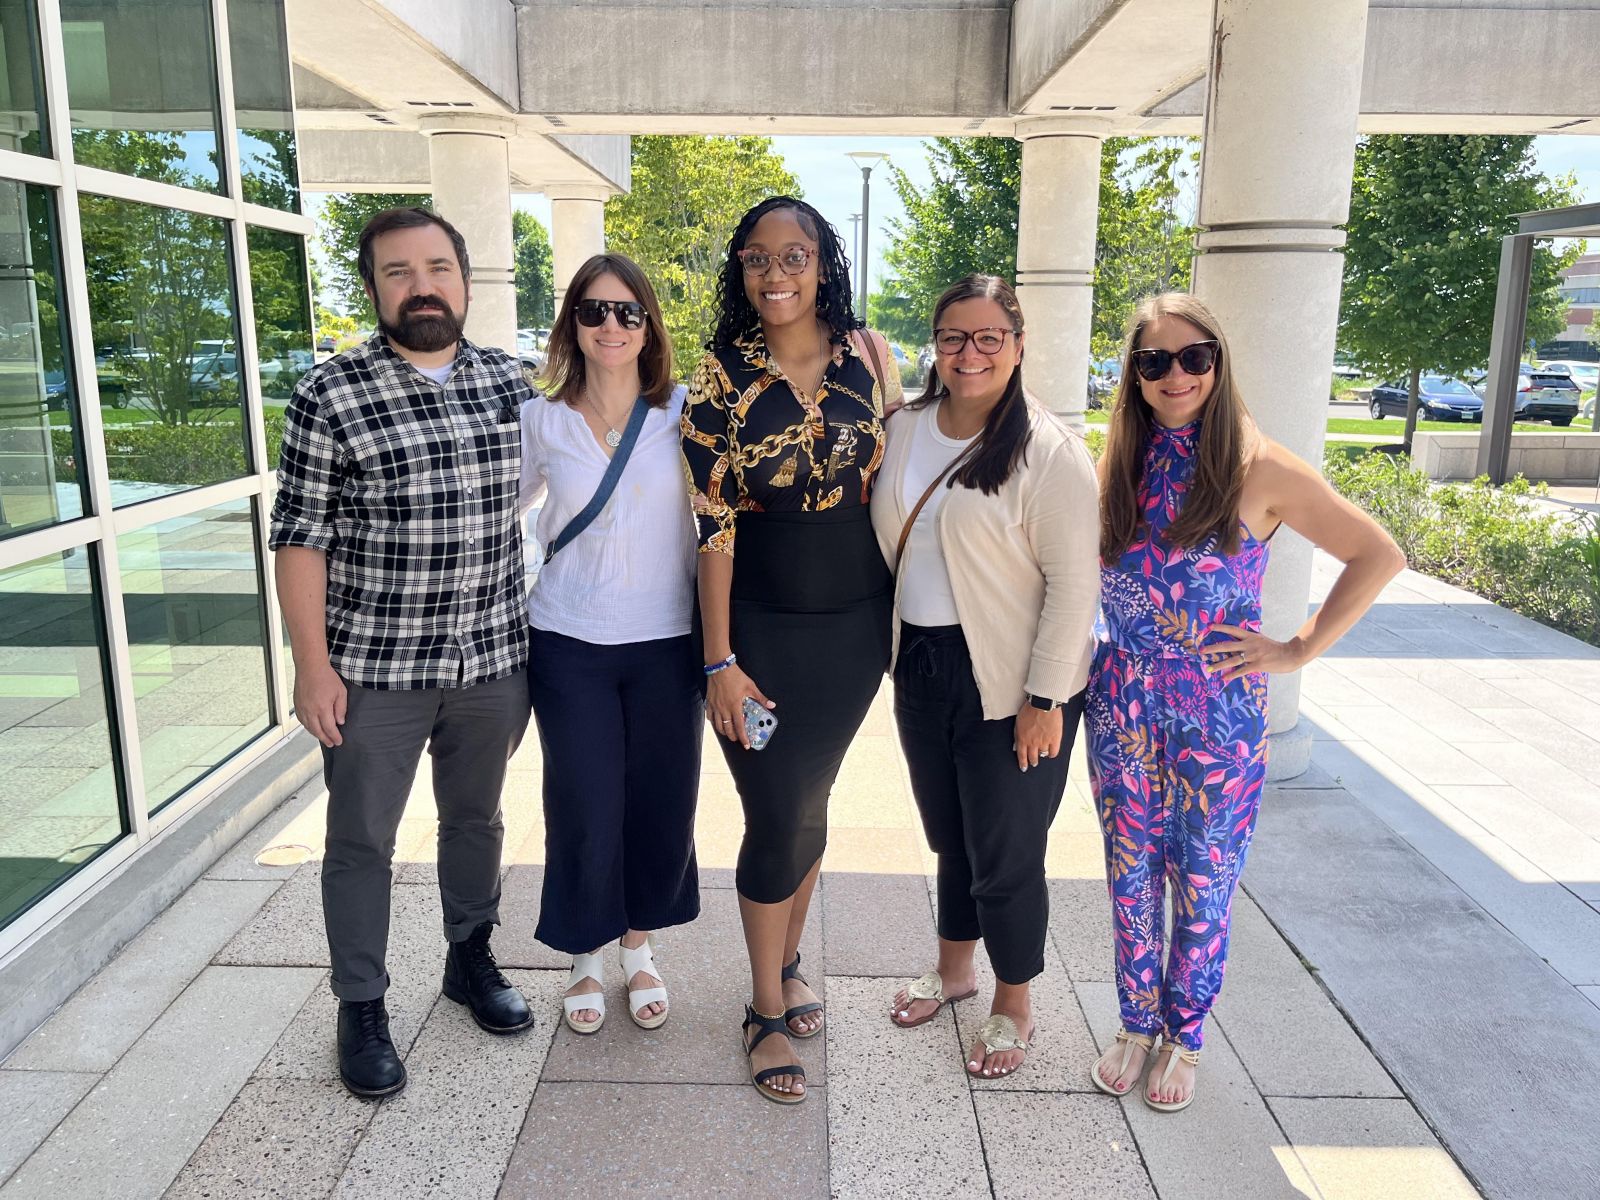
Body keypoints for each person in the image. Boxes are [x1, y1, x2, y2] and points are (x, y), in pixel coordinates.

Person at [1086, 292, 1404, 1112]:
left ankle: (1184, 1034)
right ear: (1135, 375)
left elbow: (1377, 553)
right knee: (1128, 873)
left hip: (1216, 713)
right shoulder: (1117, 458)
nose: (1175, 375)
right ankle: (1133, 1021)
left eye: (1193, 357)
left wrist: (1297, 648)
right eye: (1154, 361)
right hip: (1120, 701)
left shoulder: (1258, 467)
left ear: (1218, 364)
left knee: (1203, 878)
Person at [271, 207, 535, 1100]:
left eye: (436, 268)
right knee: (360, 845)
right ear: (375, 288)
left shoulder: (519, 382)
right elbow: (299, 537)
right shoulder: (330, 392)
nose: (421, 285)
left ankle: (469, 957)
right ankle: (363, 1003)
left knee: (476, 824)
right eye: (397, 272)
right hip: (373, 670)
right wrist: (311, 665)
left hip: (492, 661)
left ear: (466, 279)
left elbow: (629, 408)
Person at [680, 196, 901, 1105]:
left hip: (856, 627)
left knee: (810, 797)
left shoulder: (869, 354)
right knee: (773, 807)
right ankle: (765, 1004)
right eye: (758, 259)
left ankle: (791, 956)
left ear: (823, 263)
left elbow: (900, 473)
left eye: (795, 256)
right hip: (759, 626)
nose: (777, 275)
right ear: (741, 271)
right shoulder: (718, 375)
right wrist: (719, 660)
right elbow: (713, 525)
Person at [872, 275, 1099, 1079]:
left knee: (1005, 850)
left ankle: (1015, 1002)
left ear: (1018, 344)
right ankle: (954, 969)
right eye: (954, 338)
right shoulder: (902, 431)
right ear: (935, 345)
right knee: (950, 836)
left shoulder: (1049, 450)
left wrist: (1045, 700)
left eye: (988, 338)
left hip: (1010, 681)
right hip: (922, 666)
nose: (970, 354)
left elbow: (1076, 586)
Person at [519, 253, 700, 1035]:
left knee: (659, 802)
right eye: (594, 311)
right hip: (569, 637)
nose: (612, 326)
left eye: (628, 312)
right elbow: (498, 516)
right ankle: (585, 956)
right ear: (573, 325)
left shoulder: (685, 414)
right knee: (585, 801)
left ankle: (639, 945)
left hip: (667, 639)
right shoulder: (541, 420)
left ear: (650, 325)